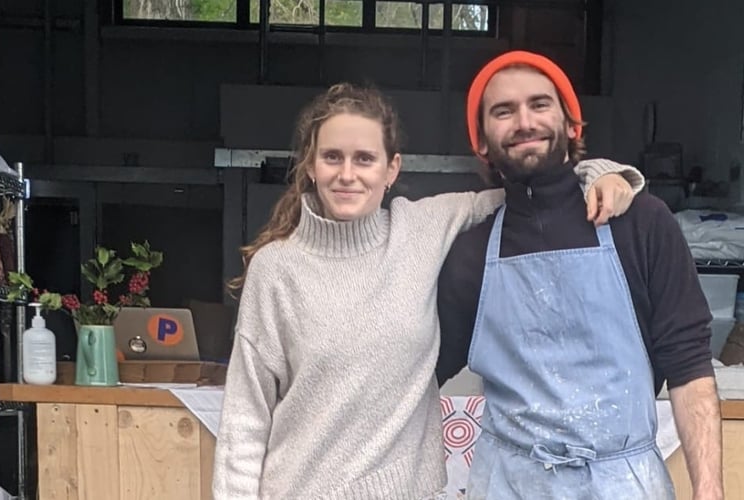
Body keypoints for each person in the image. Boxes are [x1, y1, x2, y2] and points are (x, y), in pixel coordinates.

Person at [212, 82, 645, 499]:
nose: (347, 174)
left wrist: (601, 174)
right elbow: (245, 418)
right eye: (332, 157)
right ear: (310, 165)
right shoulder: (277, 269)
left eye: (364, 159)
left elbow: (531, 192)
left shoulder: (422, 228)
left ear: (391, 168)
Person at [435, 50, 722, 499]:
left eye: (540, 104)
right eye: (503, 111)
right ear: (482, 141)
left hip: (624, 484)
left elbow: (688, 366)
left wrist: (709, 492)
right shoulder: (471, 251)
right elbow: (417, 370)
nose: (524, 121)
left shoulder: (640, 223)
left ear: (572, 125)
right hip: (509, 484)